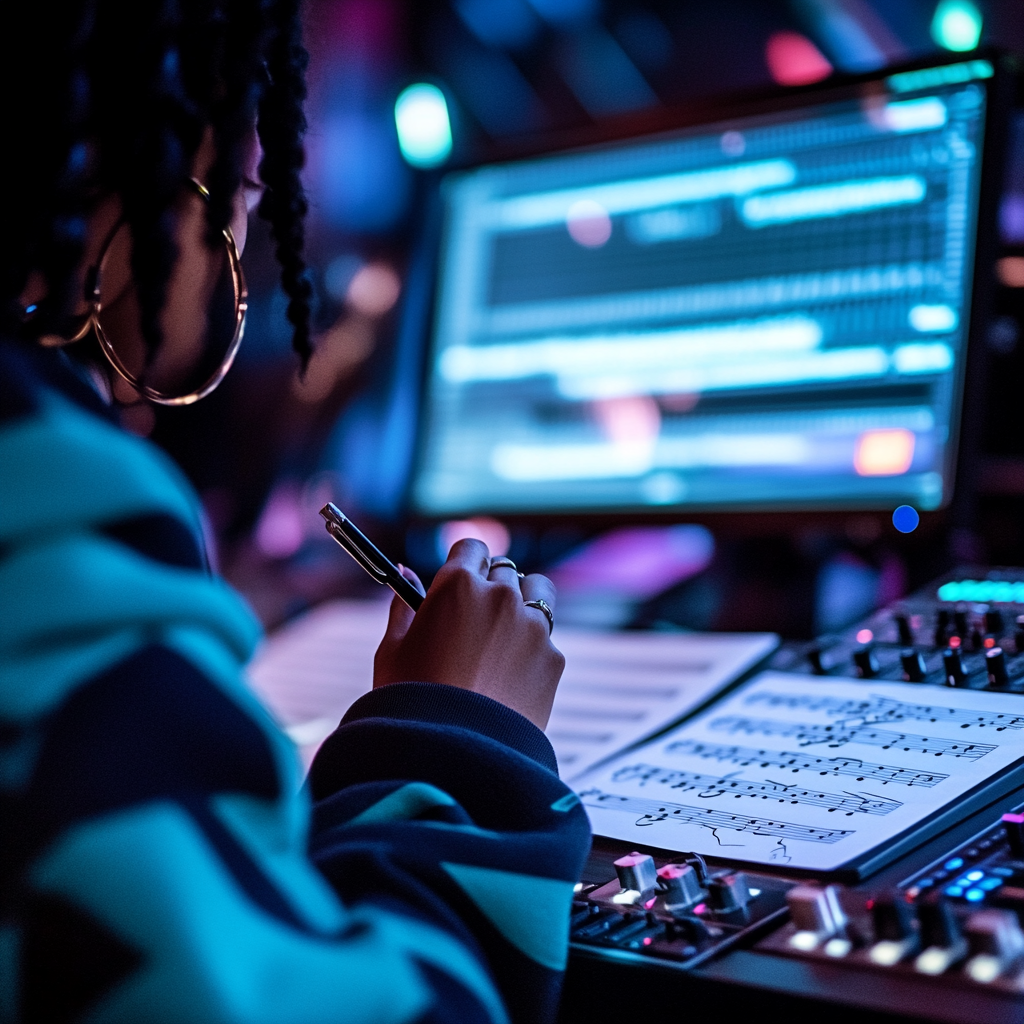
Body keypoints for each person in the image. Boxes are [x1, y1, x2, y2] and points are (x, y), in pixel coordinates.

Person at [0, 2, 591, 1022]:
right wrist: (459, 734)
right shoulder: (39, 506)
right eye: (241, 193)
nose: (239, 237)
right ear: (152, 183)